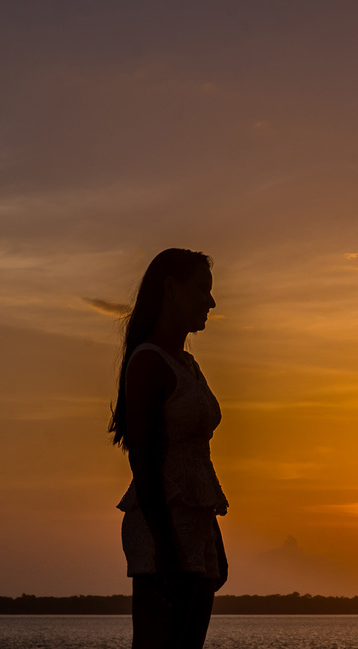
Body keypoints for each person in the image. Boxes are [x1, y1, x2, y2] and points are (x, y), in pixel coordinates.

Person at [108, 249, 229, 649]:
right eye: (202, 290)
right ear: (171, 289)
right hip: (163, 533)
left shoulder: (188, 364)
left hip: (196, 529)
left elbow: (196, 461)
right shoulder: (148, 362)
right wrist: (166, 548)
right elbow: (143, 461)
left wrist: (213, 535)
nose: (210, 302)